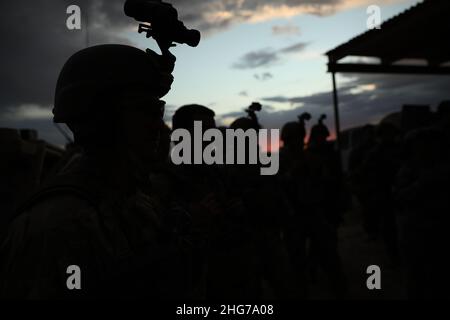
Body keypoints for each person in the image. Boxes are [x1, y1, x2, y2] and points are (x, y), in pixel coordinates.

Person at [0, 45, 193, 299]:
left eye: (159, 112)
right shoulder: (56, 227)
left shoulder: (133, 199)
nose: (161, 127)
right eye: (148, 112)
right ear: (102, 119)